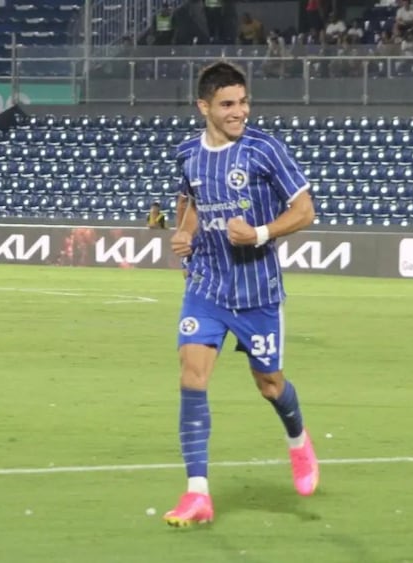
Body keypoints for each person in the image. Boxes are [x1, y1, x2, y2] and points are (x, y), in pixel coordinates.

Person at [163, 61, 318, 527]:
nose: (239, 112)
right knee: (192, 375)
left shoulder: (264, 150)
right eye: (228, 104)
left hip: (257, 290)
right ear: (204, 106)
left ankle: (298, 442)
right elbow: (188, 204)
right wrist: (184, 234)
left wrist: (261, 232)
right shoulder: (187, 154)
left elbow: (306, 210)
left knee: (269, 384)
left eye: (243, 102)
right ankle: (197, 494)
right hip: (206, 285)